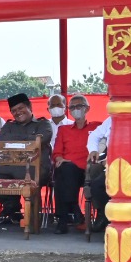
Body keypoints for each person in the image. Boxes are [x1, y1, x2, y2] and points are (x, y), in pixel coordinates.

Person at [0, 93, 53, 223]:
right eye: (14, 111)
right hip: (11, 166)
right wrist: (27, 141)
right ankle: (13, 204)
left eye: (20, 108)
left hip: (36, 167)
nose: (17, 112)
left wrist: (15, 140)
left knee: (30, 179)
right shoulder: (8, 126)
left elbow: (40, 141)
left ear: (29, 107)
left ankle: (32, 220)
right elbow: (2, 139)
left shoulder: (43, 124)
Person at [50, 94, 95, 233]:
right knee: (64, 169)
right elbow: (56, 153)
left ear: (87, 108)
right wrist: (59, 159)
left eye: (79, 106)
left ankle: (64, 219)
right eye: (73, 107)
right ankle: (74, 211)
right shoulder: (64, 130)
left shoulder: (97, 127)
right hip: (67, 169)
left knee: (62, 175)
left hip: (88, 170)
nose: (76, 109)